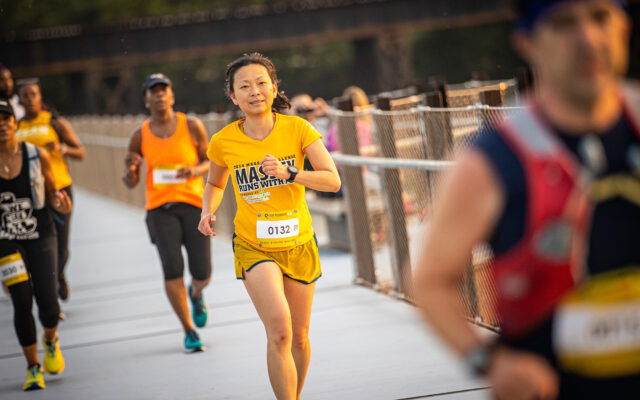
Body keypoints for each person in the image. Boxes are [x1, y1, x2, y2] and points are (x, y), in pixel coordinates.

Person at [413, 1, 640, 399]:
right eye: (563, 23)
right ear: (527, 42)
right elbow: (429, 281)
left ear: (624, 26)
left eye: (600, 17)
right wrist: (487, 361)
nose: (588, 38)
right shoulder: (489, 161)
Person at [198, 53, 341, 400]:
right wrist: (206, 211)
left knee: (300, 336)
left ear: (274, 88)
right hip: (254, 244)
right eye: (244, 86)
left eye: (261, 83)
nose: (255, 91)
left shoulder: (298, 129)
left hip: (299, 243)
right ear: (233, 97)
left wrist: (291, 173)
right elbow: (215, 183)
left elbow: (332, 180)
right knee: (280, 331)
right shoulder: (223, 141)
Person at [123, 73, 212, 352]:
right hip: (160, 209)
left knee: (203, 272)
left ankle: (196, 293)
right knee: (172, 269)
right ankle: (189, 330)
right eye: (154, 91)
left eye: (164, 90)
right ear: (146, 99)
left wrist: (194, 170)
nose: (160, 94)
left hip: (193, 204)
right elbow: (130, 181)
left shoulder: (192, 125)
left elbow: (210, 161)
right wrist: (132, 169)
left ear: (172, 96)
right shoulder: (140, 135)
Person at [0, 98, 72, 391]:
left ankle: (51, 340)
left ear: (14, 123)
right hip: (6, 241)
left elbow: (54, 192)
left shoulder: (35, 155)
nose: (1, 125)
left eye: (5, 119)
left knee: (49, 304)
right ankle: (33, 367)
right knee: (21, 300)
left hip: (41, 235)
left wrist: (60, 201)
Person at [16, 78, 85, 302]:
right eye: (25, 96)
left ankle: (59, 275)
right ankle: (47, 288)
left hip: (59, 189)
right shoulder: (15, 127)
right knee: (39, 244)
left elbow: (80, 151)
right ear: (19, 100)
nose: (29, 100)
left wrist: (61, 148)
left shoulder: (54, 122)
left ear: (40, 97)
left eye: (33, 95)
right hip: (30, 194)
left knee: (61, 245)